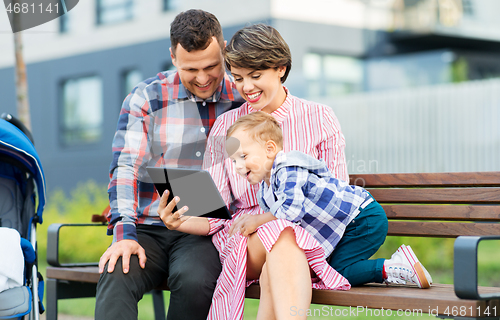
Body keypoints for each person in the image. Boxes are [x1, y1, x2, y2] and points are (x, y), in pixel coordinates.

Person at [160, 24, 352, 320]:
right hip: (246, 239)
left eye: (255, 75)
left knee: (284, 239)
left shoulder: (320, 118)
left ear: (281, 68)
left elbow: (336, 194)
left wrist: (273, 216)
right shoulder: (226, 127)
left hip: (312, 231)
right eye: (238, 78)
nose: (246, 87)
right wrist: (178, 219)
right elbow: (214, 210)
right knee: (283, 235)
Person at [95, 9, 244, 320]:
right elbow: (125, 168)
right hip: (147, 227)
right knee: (116, 272)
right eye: (191, 69)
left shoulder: (242, 99)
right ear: (173, 57)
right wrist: (124, 235)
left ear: (225, 50)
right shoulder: (147, 98)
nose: (203, 79)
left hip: (203, 233)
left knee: (195, 280)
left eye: (212, 66)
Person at [225, 111, 433, 291]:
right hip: (346, 227)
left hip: (362, 218)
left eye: (243, 156)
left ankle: (395, 266)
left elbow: (291, 211)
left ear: (270, 149)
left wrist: (258, 220)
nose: (237, 166)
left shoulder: (288, 169)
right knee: (334, 272)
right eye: (234, 161)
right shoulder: (265, 190)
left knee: (340, 273)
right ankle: (394, 266)